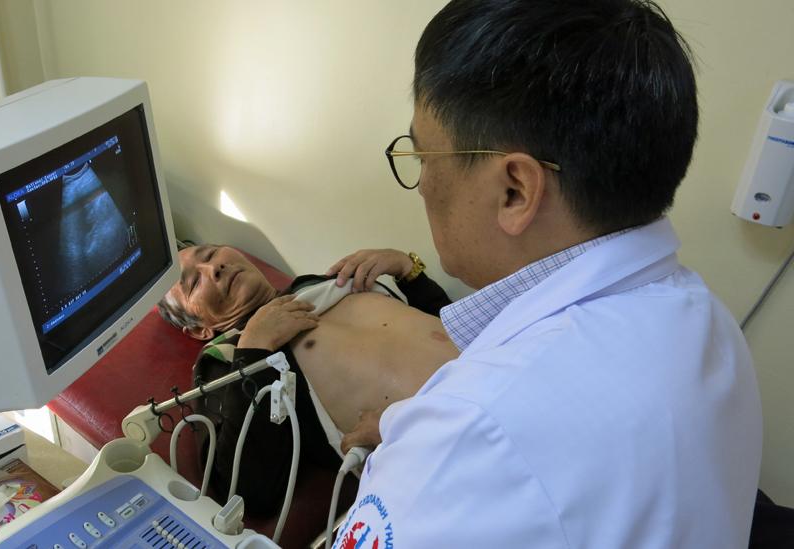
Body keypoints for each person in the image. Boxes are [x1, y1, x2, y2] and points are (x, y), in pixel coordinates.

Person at [327, 1, 763, 547]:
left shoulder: (471, 433)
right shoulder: (710, 324)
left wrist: (425, 451)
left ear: (515, 190)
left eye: (422, 157)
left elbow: (500, 437)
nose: (423, 185)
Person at [157, 245, 457, 514]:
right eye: (194, 282)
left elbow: (447, 327)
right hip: (447, 451)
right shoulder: (229, 357)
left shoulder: (320, 282)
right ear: (199, 331)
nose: (214, 268)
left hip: (495, 373)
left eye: (210, 254)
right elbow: (248, 492)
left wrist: (408, 270)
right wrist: (253, 349)